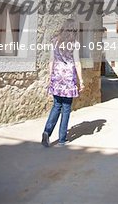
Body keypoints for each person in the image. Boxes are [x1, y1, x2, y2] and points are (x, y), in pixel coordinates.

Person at [41, 19, 84, 147]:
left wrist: (50, 77)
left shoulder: (55, 41)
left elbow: (51, 61)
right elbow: (77, 62)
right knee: (66, 108)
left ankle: (47, 132)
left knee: (56, 105)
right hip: (68, 79)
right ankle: (62, 139)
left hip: (57, 77)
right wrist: (81, 81)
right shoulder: (74, 43)